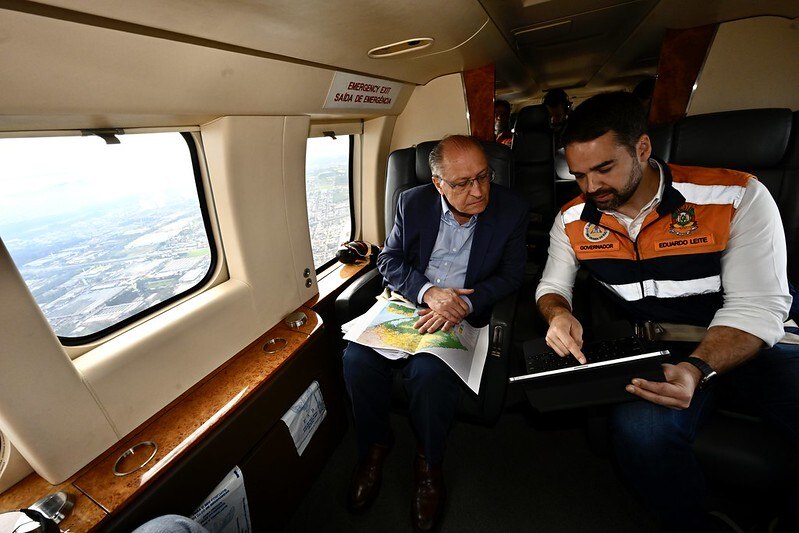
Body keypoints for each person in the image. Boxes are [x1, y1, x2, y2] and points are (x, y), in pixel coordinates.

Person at [535, 91, 797, 532]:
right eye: (579, 175)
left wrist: (698, 368)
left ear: (642, 148)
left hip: (759, 344)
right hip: (657, 352)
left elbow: (756, 308)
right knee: (640, 437)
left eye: (604, 169)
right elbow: (551, 286)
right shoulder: (572, 219)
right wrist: (559, 313)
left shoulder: (737, 195)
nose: (591, 188)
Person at [342, 135, 528, 532]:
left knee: (428, 371)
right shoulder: (413, 202)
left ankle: (429, 461)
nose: (477, 191)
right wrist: (428, 292)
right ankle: (374, 446)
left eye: (483, 177)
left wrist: (464, 304)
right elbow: (389, 260)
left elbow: (512, 275)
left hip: (465, 311)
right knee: (356, 360)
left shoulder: (511, 209)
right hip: (411, 302)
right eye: (461, 183)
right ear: (438, 184)